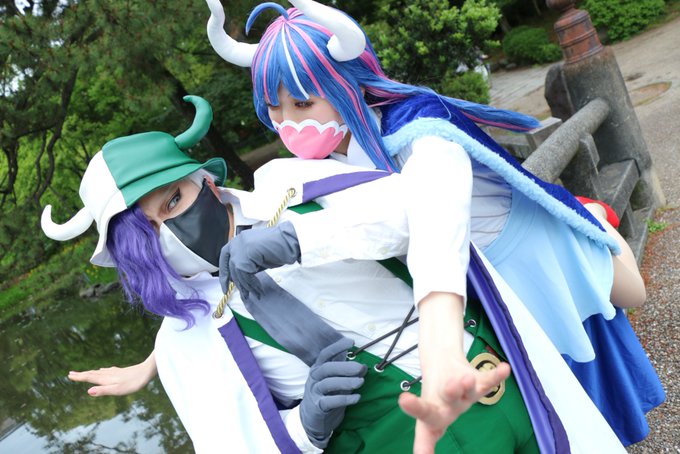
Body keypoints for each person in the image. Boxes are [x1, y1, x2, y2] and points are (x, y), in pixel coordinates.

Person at [204, 0, 664, 448]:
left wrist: (440, 342)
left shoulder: (419, 129)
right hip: (480, 282)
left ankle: (596, 220)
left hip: (523, 253)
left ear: (344, 83)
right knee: (555, 398)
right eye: (274, 106)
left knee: (595, 354)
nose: (287, 121)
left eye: (302, 102)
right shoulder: (319, 164)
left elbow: (431, 215)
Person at [49, 96, 626, 453]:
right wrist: (305, 427)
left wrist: (301, 238)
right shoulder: (187, 339)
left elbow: (422, 210)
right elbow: (234, 442)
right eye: (148, 233)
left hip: (505, 389)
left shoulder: (288, 186)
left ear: (206, 179)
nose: (172, 230)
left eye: (174, 200)